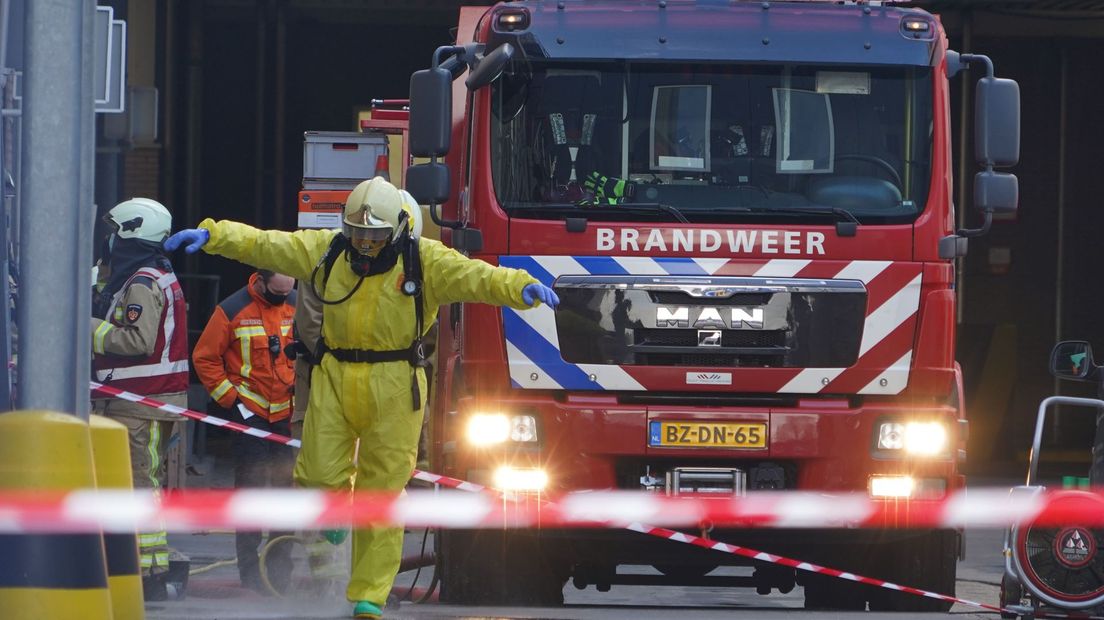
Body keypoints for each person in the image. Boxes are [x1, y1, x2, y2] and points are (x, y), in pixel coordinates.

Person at [165, 176, 558, 619]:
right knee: (315, 472)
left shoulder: (423, 260)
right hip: (335, 376)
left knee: (383, 493)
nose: (365, 244)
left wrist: (518, 287)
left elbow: (476, 276)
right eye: (358, 233)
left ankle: (368, 595)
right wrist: (215, 235)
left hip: (395, 384)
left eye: (374, 235)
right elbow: (267, 246)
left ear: (397, 229)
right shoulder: (327, 251)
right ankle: (333, 520)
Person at [91, 197, 189, 601]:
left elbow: (137, 340)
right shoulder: (142, 277)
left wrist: (91, 327)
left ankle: (150, 572)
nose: (110, 240)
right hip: (136, 400)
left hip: (141, 403)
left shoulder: (144, 283)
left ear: (132, 233)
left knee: (138, 485)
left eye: (115, 232)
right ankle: (141, 566)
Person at [191, 269, 298, 594]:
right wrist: (233, 402)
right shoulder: (232, 309)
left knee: (286, 498)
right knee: (250, 496)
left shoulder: (296, 305)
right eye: (276, 293)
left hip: (287, 416)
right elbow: (205, 357)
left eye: (286, 293)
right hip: (250, 415)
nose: (281, 299)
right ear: (261, 281)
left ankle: (279, 575)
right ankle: (251, 576)